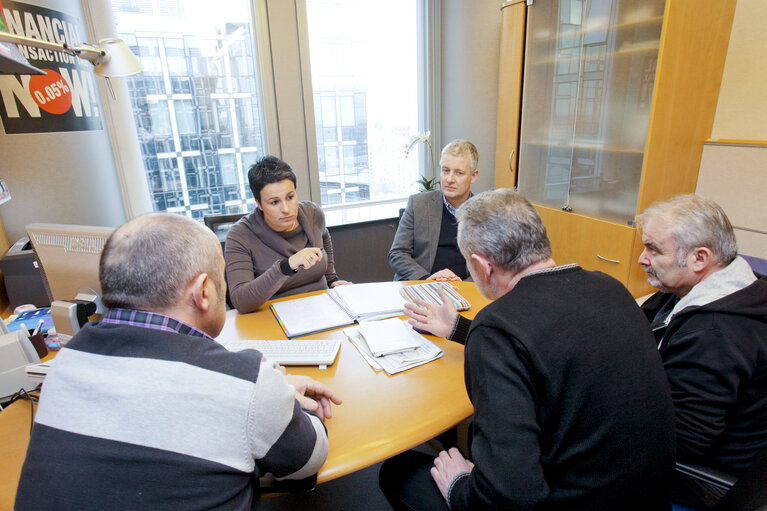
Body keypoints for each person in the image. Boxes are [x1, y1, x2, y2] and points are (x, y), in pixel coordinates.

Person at [14, 213, 342, 511]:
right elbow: (309, 459)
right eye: (221, 279)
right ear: (203, 292)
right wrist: (280, 399)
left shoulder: (65, 362)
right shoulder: (245, 380)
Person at [380, 189, 676, 510]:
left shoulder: (497, 329)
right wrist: (458, 328)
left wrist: (459, 485)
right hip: (648, 495)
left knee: (398, 472)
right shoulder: (611, 288)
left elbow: (510, 496)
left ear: (482, 266)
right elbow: (549, 344)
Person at [635, 194, 767, 510]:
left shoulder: (714, 332)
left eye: (653, 249)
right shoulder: (710, 288)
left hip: (703, 481)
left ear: (699, 259)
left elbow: (682, 441)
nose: (642, 258)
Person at [226, 156, 349, 313]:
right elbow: (240, 301)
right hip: (273, 316)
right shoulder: (240, 235)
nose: (286, 209)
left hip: (322, 309)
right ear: (259, 203)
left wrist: (332, 279)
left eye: (290, 197)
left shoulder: (312, 213)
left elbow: (324, 236)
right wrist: (286, 266)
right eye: (274, 202)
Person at [388, 139, 479, 281]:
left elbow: (492, 265)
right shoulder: (418, 204)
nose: (449, 179)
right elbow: (398, 253)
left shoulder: (485, 214)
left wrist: (464, 286)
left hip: (464, 289)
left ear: (474, 176)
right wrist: (427, 279)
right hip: (420, 285)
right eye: (445, 170)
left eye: (459, 173)